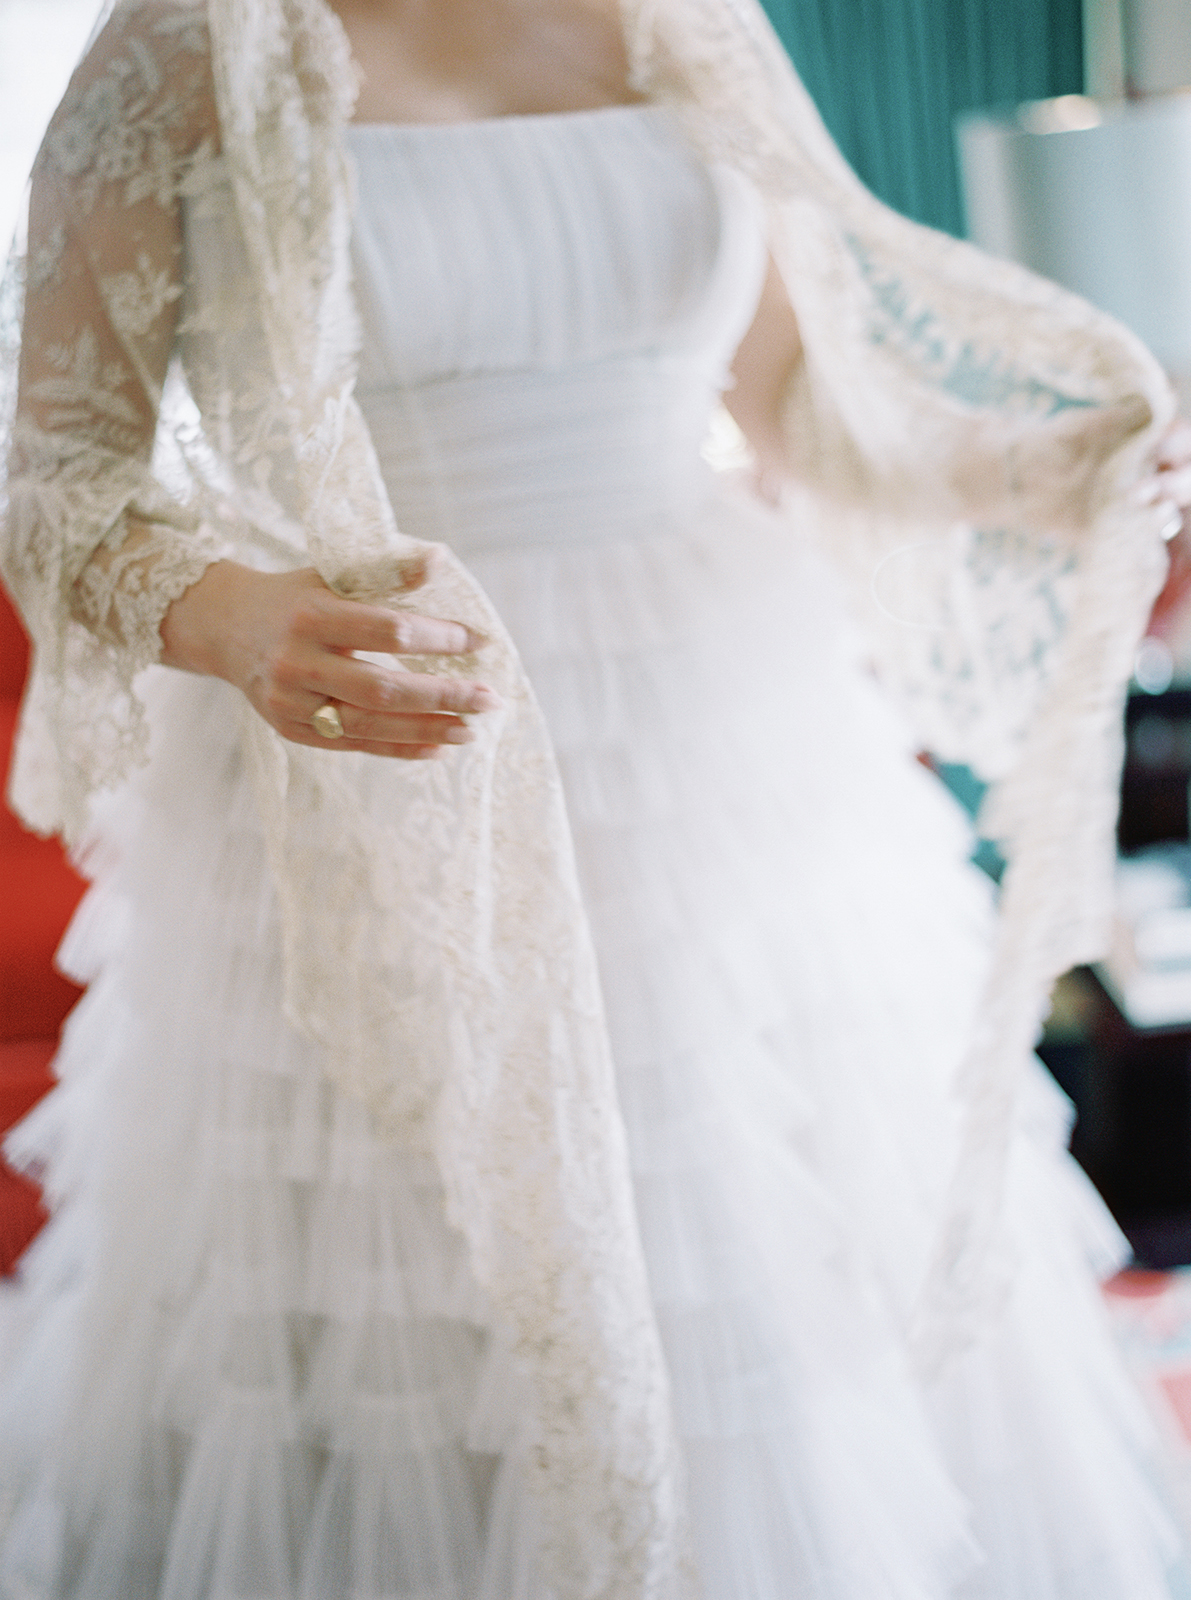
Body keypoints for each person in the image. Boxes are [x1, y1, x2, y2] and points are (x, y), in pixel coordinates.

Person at [2, 0, 1191, 1595]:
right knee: (416, 1302)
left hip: (730, 739)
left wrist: (1051, 477)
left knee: (774, 1236)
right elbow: (57, 480)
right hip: (382, 726)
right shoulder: (186, 47)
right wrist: (240, 620)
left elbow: (799, 407)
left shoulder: (692, 22)